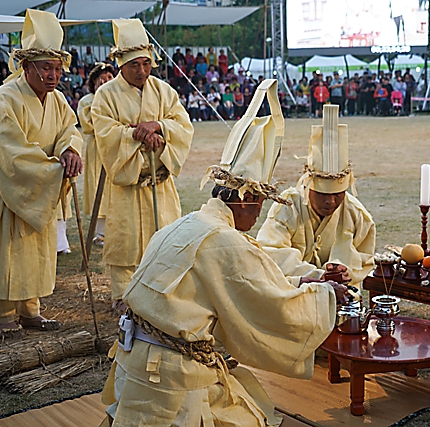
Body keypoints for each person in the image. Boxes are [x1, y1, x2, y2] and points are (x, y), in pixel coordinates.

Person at [101, 79, 346, 426]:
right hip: (168, 379)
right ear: (246, 199)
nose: (260, 212)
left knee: (252, 403)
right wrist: (324, 295)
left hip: (132, 363)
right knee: (252, 419)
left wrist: (299, 279)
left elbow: (249, 276)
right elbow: (272, 306)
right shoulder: (224, 240)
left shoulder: (188, 222)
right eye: (260, 202)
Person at [0, 9, 83, 336]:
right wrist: (52, 170)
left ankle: (32, 311)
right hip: (7, 189)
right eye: (46, 68)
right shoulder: (3, 100)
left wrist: (69, 150)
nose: (53, 75)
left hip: (42, 187)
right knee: (7, 252)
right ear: (27, 66)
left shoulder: (59, 100)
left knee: (35, 252)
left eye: (58, 68)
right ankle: (5, 315)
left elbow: (69, 130)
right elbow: (9, 150)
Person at [91, 19, 194, 309]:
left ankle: (162, 289)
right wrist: (135, 135)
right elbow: (106, 132)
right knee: (127, 243)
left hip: (160, 180)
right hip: (129, 181)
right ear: (120, 64)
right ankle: (123, 294)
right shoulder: (105, 95)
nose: (141, 71)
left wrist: (158, 126)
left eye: (146, 64)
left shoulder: (163, 91)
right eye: (134, 65)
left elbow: (182, 124)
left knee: (166, 240)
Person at [258, 104, 376, 289]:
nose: (330, 201)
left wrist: (344, 270)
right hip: (296, 291)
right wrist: (319, 276)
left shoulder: (357, 214)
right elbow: (270, 253)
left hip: (342, 296)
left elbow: (365, 259)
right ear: (308, 186)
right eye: (322, 194)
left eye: (337, 195)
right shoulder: (288, 206)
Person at [78, 63, 116, 246]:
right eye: (101, 79)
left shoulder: (118, 100)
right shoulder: (87, 101)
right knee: (98, 187)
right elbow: (89, 125)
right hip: (97, 147)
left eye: (110, 78)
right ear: (93, 83)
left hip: (115, 146)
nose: (106, 81)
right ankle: (100, 232)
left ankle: (116, 230)